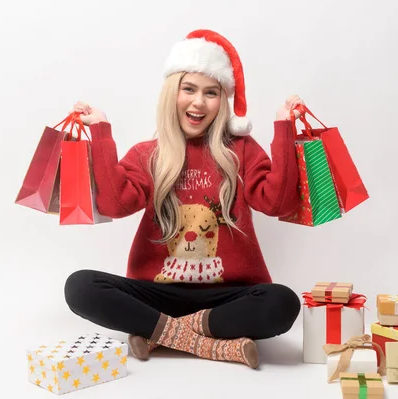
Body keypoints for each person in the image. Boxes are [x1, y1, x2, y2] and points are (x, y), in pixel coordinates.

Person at [64, 29, 305, 369]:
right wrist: (101, 132)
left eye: (211, 93)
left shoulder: (242, 151)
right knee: (80, 286)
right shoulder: (149, 154)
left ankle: (160, 334)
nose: (198, 102)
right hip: (156, 295)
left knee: (282, 303)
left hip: (228, 296)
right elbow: (114, 205)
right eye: (188, 89)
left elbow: (277, 203)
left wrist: (283, 128)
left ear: (223, 101)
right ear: (171, 93)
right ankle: (214, 345)